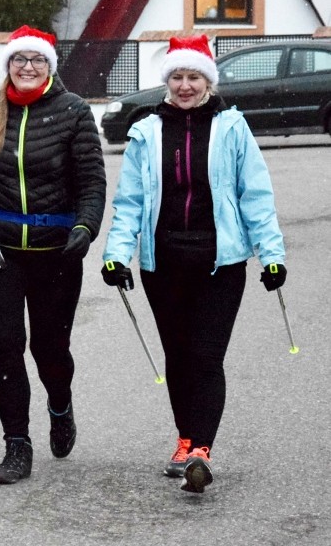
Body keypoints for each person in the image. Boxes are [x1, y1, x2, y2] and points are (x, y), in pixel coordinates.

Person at [101, 34, 286, 494]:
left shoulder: (232, 128)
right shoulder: (147, 130)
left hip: (220, 264)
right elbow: (129, 201)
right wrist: (115, 254)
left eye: (194, 76)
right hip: (162, 264)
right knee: (178, 356)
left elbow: (255, 195)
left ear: (208, 81)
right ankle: (184, 440)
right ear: (168, 81)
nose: (185, 85)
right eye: (178, 76)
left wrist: (272, 254)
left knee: (206, 354)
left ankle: (201, 449)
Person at [0, 25, 106, 484]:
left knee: (50, 347)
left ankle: (60, 404)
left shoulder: (74, 113)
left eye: (37, 60)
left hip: (56, 250)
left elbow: (92, 181)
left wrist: (85, 225)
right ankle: (17, 444)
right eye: (20, 60)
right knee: (5, 345)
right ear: (9, 66)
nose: (28, 67)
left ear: (50, 67)